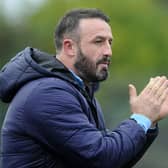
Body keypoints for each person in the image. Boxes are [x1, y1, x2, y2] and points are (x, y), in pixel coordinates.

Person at [1, 8, 168, 168]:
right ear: (69, 47)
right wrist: (141, 117)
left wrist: (149, 121)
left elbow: (115, 161)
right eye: (98, 41)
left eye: (110, 42)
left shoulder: (79, 90)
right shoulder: (47, 94)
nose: (108, 51)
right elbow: (102, 158)